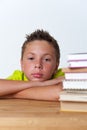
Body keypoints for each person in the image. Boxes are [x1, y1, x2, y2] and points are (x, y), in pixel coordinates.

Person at [0, 29, 64, 101]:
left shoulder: (61, 76)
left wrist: (11, 93)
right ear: (22, 64)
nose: (38, 65)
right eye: (31, 58)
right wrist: (43, 84)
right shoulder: (18, 77)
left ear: (56, 66)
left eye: (46, 59)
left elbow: (58, 93)